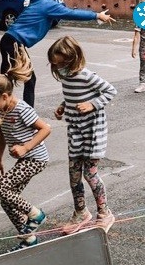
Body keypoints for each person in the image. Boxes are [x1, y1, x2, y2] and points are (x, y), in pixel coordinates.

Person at [0, 0, 115, 136]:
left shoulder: (39, 2)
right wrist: (97, 15)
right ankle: (22, 121)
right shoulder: (46, 4)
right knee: (23, 81)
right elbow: (70, 13)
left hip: (14, 42)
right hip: (14, 43)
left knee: (6, 82)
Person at [0, 44, 52, 250]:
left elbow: (45, 129)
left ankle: (36, 215)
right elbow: (3, 134)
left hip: (35, 158)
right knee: (7, 200)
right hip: (25, 159)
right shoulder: (3, 109)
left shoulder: (21, 109)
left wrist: (26, 148)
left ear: (4, 96)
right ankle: (29, 239)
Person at [48, 36, 117, 233]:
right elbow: (72, 95)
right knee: (74, 173)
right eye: (55, 65)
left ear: (72, 59)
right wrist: (63, 106)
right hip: (75, 129)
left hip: (93, 130)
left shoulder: (86, 75)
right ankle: (81, 212)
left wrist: (91, 104)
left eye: (61, 64)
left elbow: (111, 91)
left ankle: (104, 212)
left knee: (90, 172)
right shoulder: (66, 76)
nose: (58, 68)